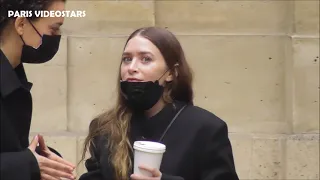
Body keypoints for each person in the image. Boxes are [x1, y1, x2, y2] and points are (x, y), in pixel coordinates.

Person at [79, 27, 239, 180]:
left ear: (171, 73)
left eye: (146, 59)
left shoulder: (206, 129)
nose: (132, 68)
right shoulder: (105, 127)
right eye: (127, 59)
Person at [0, 0, 76, 180]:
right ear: (21, 24)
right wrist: (28, 164)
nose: (57, 37)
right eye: (54, 29)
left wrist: (41, 161)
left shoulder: (15, 80)